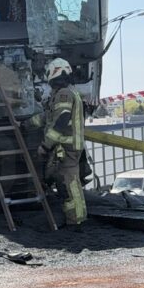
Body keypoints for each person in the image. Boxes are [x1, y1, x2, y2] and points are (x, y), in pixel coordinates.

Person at [39, 57, 86, 227]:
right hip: (67, 147)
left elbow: (62, 119)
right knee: (65, 184)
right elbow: (47, 117)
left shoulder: (63, 94)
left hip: (67, 148)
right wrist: (25, 124)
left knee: (70, 186)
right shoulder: (63, 94)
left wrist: (46, 145)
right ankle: (74, 219)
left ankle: (76, 221)